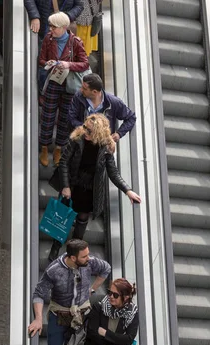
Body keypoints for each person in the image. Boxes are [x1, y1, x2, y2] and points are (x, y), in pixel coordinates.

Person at [51, 114, 140, 258]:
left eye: (89, 130)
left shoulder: (105, 147)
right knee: (61, 217)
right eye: (85, 127)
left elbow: (113, 172)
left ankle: (73, 252)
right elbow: (63, 162)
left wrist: (127, 190)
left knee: (82, 220)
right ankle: (55, 247)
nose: (85, 131)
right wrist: (65, 186)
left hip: (89, 189)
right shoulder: (77, 138)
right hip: (72, 184)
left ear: (98, 132)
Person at [28, 238, 111, 345]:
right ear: (73, 258)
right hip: (60, 315)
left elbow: (106, 268)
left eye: (88, 254)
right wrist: (38, 319)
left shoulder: (89, 262)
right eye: (84, 256)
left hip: (82, 315)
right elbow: (39, 294)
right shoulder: (54, 270)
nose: (89, 258)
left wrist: (92, 289)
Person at [39, 11, 89, 168]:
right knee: (48, 116)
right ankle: (45, 148)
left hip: (70, 84)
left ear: (63, 27)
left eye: (54, 27)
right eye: (50, 26)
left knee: (65, 119)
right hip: (54, 81)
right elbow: (41, 59)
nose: (51, 30)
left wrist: (68, 64)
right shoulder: (48, 39)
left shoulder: (75, 42)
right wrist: (49, 63)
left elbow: (85, 63)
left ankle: (59, 149)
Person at [83, 278, 139, 345]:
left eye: (115, 295)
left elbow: (128, 339)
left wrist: (105, 333)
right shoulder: (100, 305)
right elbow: (93, 332)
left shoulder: (132, 313)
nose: (111, 296)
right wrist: (115, 342)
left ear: (125, 297)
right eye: (110, 292)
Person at [68, 73, 136, 142]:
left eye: (84, 88)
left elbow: (131, 118)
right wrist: (85, 129)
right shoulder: (78, 97)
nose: (81, 90)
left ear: (94, 92)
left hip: (102, 146)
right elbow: (71, 118)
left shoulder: (113, 102)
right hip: (81, 142)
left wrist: (119, 133)